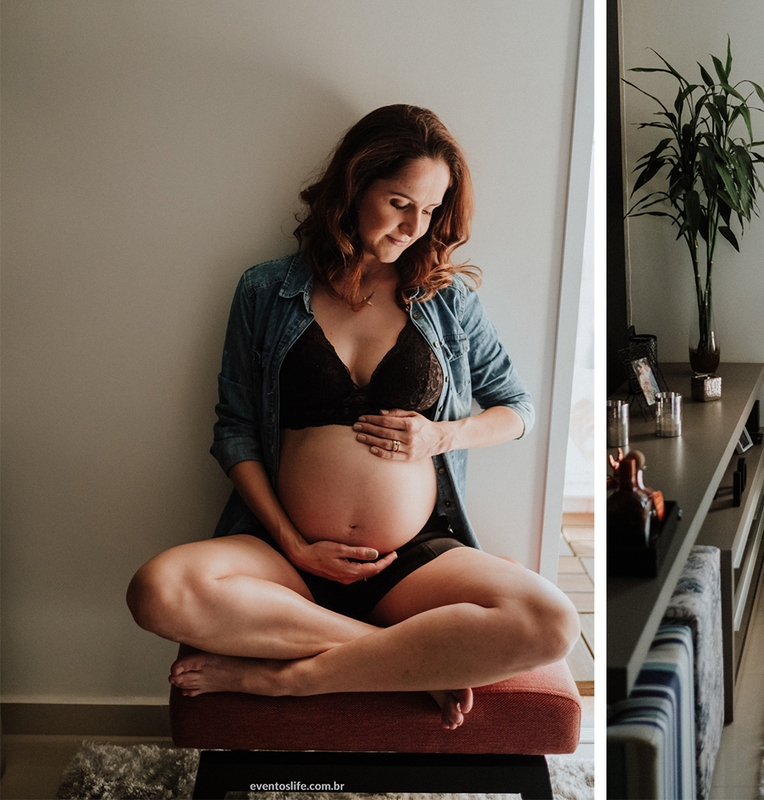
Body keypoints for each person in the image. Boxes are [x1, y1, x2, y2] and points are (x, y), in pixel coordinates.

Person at [127, 105, 579, 730]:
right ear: (355, 184)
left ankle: (297, 680)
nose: (415, 226)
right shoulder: (265, 291)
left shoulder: (447, 301)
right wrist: (294, 544)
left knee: (552, 622)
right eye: (399, 202)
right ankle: (401, 659)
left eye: (430, 210)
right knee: (156, 590)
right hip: (288, 560)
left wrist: (442, 433)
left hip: (410, 562)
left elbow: (518, 409)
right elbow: (234, 431)